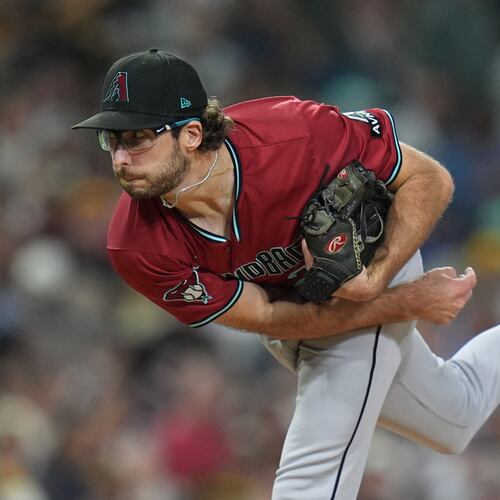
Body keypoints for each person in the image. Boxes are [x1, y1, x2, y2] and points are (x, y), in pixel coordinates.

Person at [73, 48, 499, 500]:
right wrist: (406, 303)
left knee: (314, 466)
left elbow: (429, 178)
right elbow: (271, 319)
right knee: (457, 414)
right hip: (296, 315)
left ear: (192, 133)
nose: (120, 158)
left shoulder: (294, 133)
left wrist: (378, 283)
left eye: (136, 137)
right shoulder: (135, 246)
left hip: (370, 261)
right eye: (111, 139)